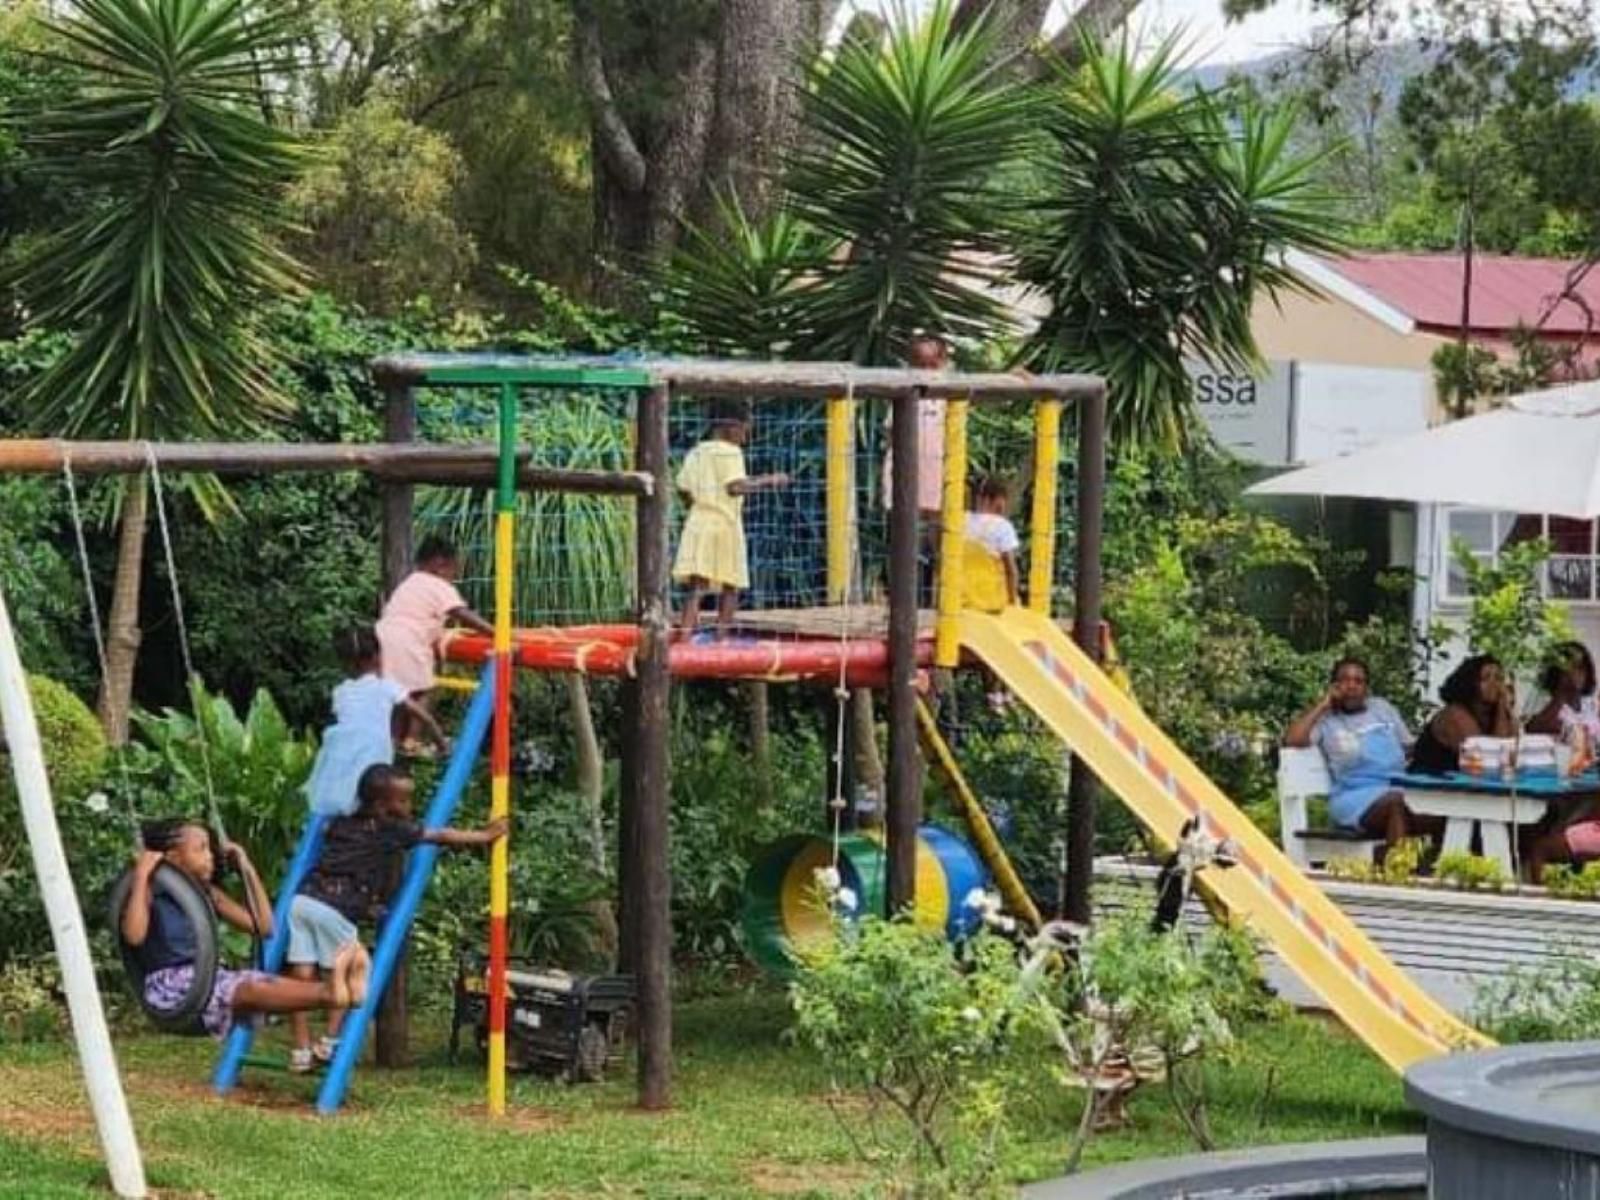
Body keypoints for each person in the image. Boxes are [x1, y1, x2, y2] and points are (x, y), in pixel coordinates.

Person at [285, 764, 507, 1073]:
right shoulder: (390, 829)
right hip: (334, 909)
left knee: (301, 976)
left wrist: (367, 907)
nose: (408, 806)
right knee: (348, 974)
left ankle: (300, 1047)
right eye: (402, 801)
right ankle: (329, 1042)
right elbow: (441, 835)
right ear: (380, 806)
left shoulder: (340, 822)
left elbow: (346, 863)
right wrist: (485, 835)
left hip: (303, 901)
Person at [121, 820, 370, 1038]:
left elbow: (264, 927)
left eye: (209, 848)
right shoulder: (150, 891)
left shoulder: (207, 894)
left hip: (207, 980)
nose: (210, 855)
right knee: (252, 987)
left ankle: (341, 993)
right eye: (201, 849)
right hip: (173, 990)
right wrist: (142, 875)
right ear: (174, 857)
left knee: (261, 982)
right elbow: (134, 935)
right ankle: (329, 993)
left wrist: (246, 868)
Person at [1285, 658, 1441, 848]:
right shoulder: (1327, 720)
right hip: (1354, 796)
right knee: (1397, 805)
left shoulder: (1381, 709)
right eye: (1345, 680)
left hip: (1396, 788)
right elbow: (1292, 740)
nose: (1351, 686)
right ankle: (1395, 871)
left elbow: (1408, 746)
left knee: (1444, 809)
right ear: (1334, 685)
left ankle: (1428, 869)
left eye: (1359, 681)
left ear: (1366, 688)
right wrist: (1323, 705)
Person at [673, 399, 789, 637]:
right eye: (745, 431)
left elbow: (682, 487)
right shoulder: (730, 452)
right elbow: (735, 487)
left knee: (697, 586)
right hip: (725, 524)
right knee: (731, 585)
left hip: (698, 522)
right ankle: (721, 640)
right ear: (730, 426)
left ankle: (684, 637)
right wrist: (769, 480)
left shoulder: (697, 451)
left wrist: (699, 504)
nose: (745, 438)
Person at [304, 626, 448, 817]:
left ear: (345, 663)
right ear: (378, 657)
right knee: (374, 790)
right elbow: (425, 717)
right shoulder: (387, 687)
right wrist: (443, 745)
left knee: (348, 786)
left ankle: (341, 816)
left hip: (340, 748)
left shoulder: (340, 691)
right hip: (372, 749)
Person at [376, 537, 495, 756]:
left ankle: (393, 740)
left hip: (383, 638)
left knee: (400, 695)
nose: (453, 578)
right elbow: (460, 613)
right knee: (424, 690)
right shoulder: (437, 585)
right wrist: (496, 633)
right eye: (453, 570)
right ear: (440, 565)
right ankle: (412, 741)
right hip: (407, 641)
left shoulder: (410, 582)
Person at [883, 332, 951, 605]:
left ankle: (938, 605)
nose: (926, 371)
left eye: (932, 364)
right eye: (919, 364)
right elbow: (891, 433)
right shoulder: (903, 390)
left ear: (943, 362)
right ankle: (902, 603)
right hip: (906, 481)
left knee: (939, 547)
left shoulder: (951, 392)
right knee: (904, 545)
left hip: (939, 481)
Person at [960, 477, 1021, 710]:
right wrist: (1013, 600)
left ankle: (991, 693)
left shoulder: (961, 521)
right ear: (991, 500)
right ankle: (1007, 689)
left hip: (964, 600)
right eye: (1000, 503)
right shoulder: (1001, 527)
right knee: (1009, 640)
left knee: (986, 645)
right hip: (992, 600)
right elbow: (1010, 568)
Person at [1410, 654, 1515, 775]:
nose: (1495, 684)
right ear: (1469, 683)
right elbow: (1485, 759)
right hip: (1428, 785)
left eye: (1499, 678)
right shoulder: (1454, 714)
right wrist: (1502, 707)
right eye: (1485, 679)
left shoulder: (1495, 715)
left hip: (1469, 782)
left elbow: (1508, 755)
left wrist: (1505, 709)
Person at [1525, 640, 1600, 743]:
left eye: (1581, 667)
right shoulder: (1551, 711)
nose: (1577, 673)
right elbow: (1535, 727)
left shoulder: (1591, 708)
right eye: (1571, 666)